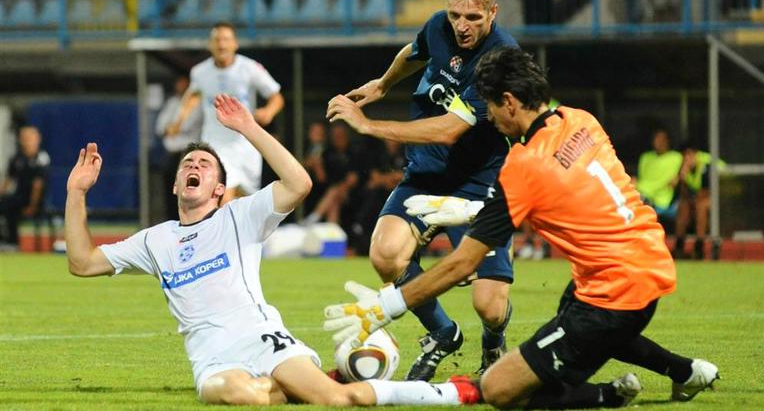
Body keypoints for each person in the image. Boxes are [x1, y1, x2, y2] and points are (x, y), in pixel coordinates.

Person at [325, 47, 719, 408]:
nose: (489, 118)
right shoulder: (579, 120)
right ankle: (684, 372)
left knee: (499, 387)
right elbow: (567, 192)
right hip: (643, 260)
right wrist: (470, 208)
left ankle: (606, 396)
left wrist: (387, 307)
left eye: (489, 107)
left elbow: (462, 264)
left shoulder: (524, 166)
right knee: (588, 332)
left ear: (510, 102)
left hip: (613, 291)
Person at [64, 94, 479, 407]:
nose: (193, 167)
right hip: (212, 359)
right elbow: (82, 263)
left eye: (204, 165)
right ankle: (306, 382)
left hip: (261, 338)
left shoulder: (239, 216)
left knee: (337, 401)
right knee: (234, 394)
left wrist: (249, 127)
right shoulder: (155, 240)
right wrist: (76, 193)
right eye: (187, 164)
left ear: (219, 189)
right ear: (175, 185)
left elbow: (299, 183)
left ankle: (451, 393)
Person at [326, 0, 518, 380]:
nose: (462, 26)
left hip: (479, 185)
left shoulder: (501, 60)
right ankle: (443, 333)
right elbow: (414, 52)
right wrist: (383, 84)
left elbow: (449, 130)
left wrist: (368, 125)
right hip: (427, 174)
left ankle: (493, 339)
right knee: (385, 253)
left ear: (493, 12)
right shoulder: (438, 26)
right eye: (455, 16)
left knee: (489, 305)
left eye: (473, 18)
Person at [166, 22, 285, 205]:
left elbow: (276, 97)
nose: (221, 45)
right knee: (223, 196)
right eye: (217, 40)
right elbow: (193, 96)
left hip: (246, 145)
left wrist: (268, 112)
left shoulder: (250, 68)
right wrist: (178, 122)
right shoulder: (200, 72)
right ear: (210, 45)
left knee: (246, 204)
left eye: (226, 40)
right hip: (215, 144)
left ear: (235, 44)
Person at [155, 75, 202, 220]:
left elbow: (186, 126)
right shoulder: (172, 102)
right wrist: (171, 128)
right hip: (172, 155)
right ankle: (172, 220)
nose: (181, 85)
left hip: (189, 153)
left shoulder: (198, 103)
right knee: (171, 192)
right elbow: (160, 127)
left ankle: (191, 221)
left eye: (184, 82)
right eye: (179, 82)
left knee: (189, 192)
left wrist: (175, 127)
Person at [0, 125, 49, 251]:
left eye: (30, 138)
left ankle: (12, 242)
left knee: (9, 205)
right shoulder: (17, 158)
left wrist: (32, 206)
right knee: (6, 203)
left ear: (37, 139)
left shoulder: (42, 158)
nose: (27, 141)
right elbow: (8, 180)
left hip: (36, 200)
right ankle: (6, 240)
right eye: (24, 138)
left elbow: (38, 185)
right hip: (18, 197)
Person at [672, 142, 725, 260]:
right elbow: (685, 194)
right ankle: (679, 247)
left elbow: (706, 191)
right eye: (684, 156)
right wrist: (682, 179)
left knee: (701, 205)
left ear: (695, 154)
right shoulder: (686, 167)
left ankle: (699, 248)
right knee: (684, 206)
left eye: (689, 155)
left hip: (726, 197)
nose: (686, 159)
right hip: (702, 197)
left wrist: (693, 198)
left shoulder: (706, 163)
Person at [636, 128, 682, 225]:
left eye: (662, 139)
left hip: (661, 200)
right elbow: (642, 178)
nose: (659, 142)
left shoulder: (676, 157)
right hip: (641, 193)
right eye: (656, 138)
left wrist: (679, 178)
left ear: (668, 141)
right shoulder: (645, 157)